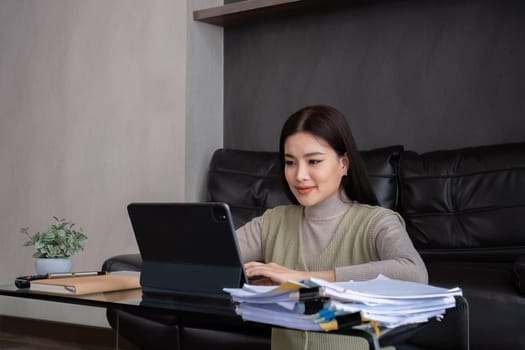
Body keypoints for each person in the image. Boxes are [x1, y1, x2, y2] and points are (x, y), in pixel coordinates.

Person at [235, 105, 428, 350]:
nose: (300, 175)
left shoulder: (377, 222)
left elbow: (415, 274)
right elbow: (214, 256)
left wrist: (304, 279)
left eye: (313, 161)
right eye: (290, 162)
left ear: (343, 163)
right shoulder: (272, 222)